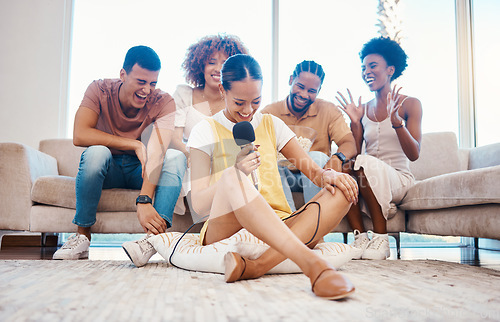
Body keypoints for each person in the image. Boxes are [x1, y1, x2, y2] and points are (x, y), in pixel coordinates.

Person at [125, 54, 359, 300]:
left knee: (343, 189)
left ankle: (257, 266)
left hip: (279, 220)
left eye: (255, 101)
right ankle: (314, 266)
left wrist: (328, 175)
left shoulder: (272, 124)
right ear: (222, 91)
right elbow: (200, 204)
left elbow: (313, 172)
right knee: (231, 177)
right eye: (239, 102)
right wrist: (235, 173)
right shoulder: (205, 131)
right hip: (225, 226)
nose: (248, 111)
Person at [53, 46, 183, 260]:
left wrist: (144, 200)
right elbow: (80, 135)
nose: (147, 90)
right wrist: (133, 144)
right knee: (96, 153)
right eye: (141, 82)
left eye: (153, 83)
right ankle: (82, 237)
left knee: (175, 157)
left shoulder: (164, 102)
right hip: (107, 169)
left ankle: (151, 241)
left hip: (138, 171)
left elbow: (158, 153)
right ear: (123, 74)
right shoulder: (99, 89)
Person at [336, 37, 422, 260]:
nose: (367, 71)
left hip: (398, 179)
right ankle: (360, 238)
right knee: (344, 167)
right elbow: (354, 153)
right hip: (368, 178)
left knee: (363, 163)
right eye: (364, 68)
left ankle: (381, 240)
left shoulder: (410, 104)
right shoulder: (362, 109)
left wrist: (396, 122)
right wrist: (355, 123)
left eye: (373, 66)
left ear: (390, 70)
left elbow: (414, 154)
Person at [169, 34, 248, 220]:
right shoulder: (184, 94)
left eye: (225, 63)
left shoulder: (237, 100)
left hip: (226, 162)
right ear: (200, 66)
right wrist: (195, 156)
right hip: (192, 161)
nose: (218, 68)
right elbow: (174, 139)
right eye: (211, 62)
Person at [262, 61, 357, 211]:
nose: (304, 95)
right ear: (290, 80)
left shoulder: (328, 110)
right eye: (300, 87)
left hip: (317, 174)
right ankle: (289, 222)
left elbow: (349, 142)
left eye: (312, 90)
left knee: (316, 157)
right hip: (285, 175)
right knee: (270, 162)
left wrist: (337, 157)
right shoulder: (270, 112)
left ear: (319, 90)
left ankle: (314, 221)